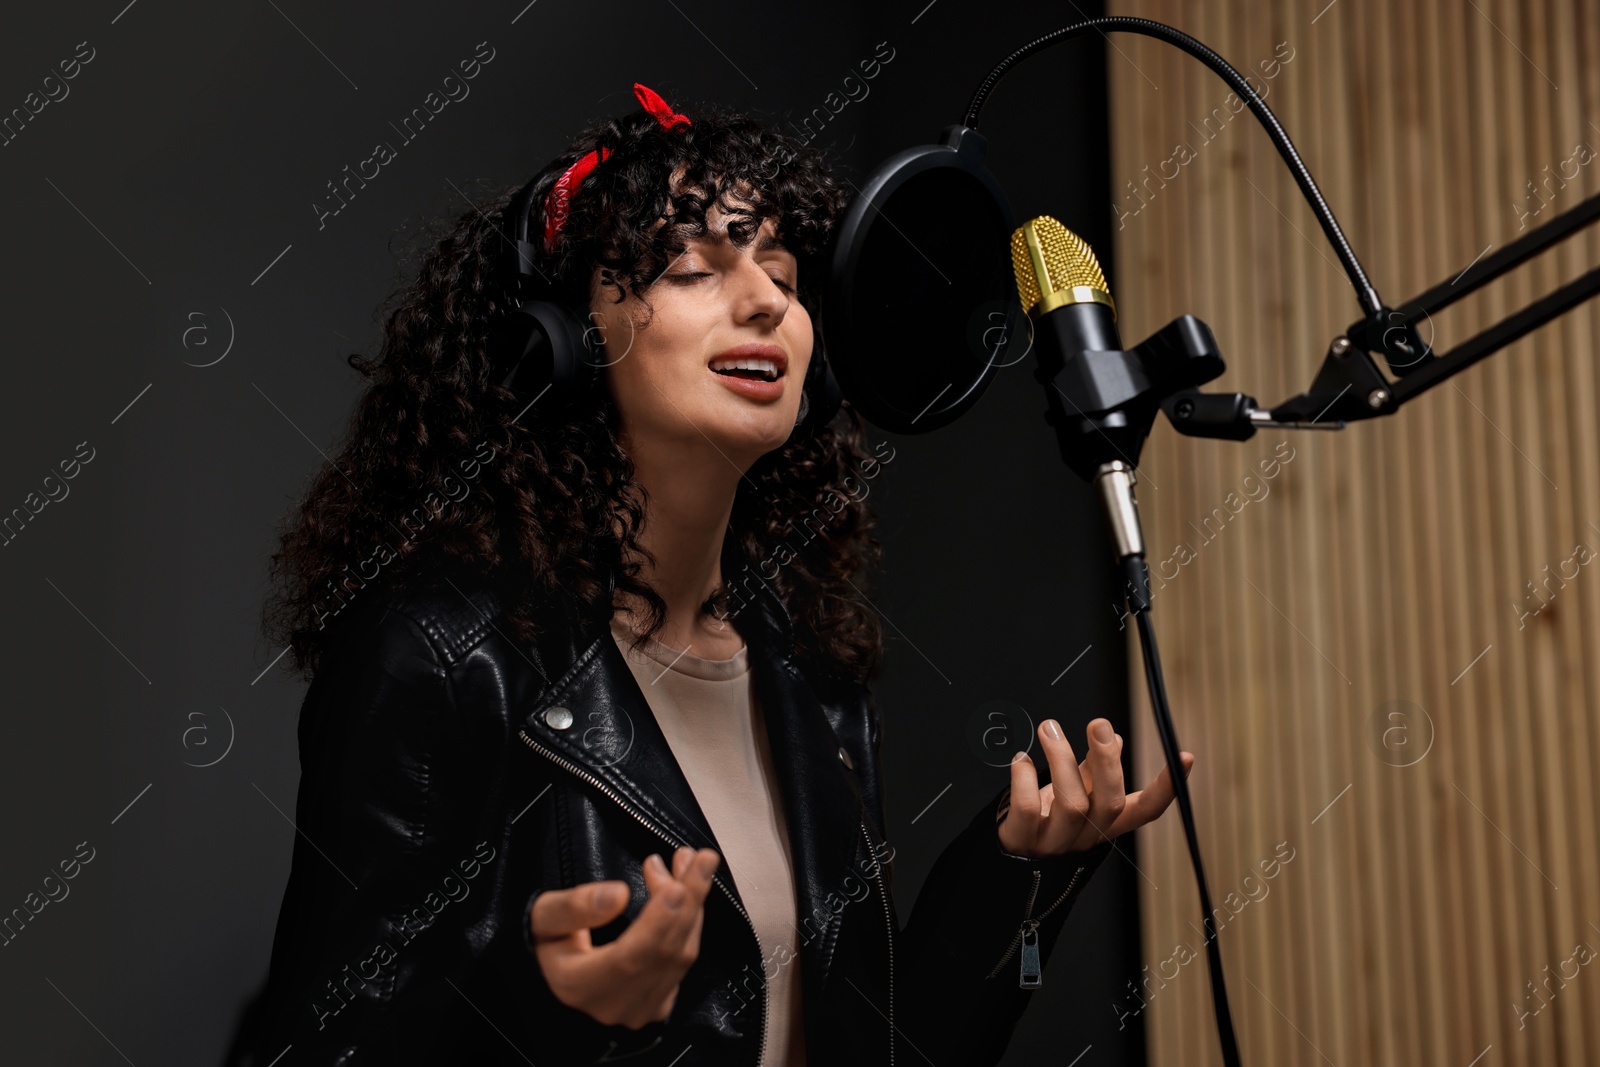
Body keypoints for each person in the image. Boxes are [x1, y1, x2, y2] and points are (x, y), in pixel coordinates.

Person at [221, 82, 1194, 1067]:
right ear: (562, 341)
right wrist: (550, 1004)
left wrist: (1016, 881)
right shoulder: (441, 655)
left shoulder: (810, 669)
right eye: (692, 266)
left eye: (780, 265)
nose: (767, 296)